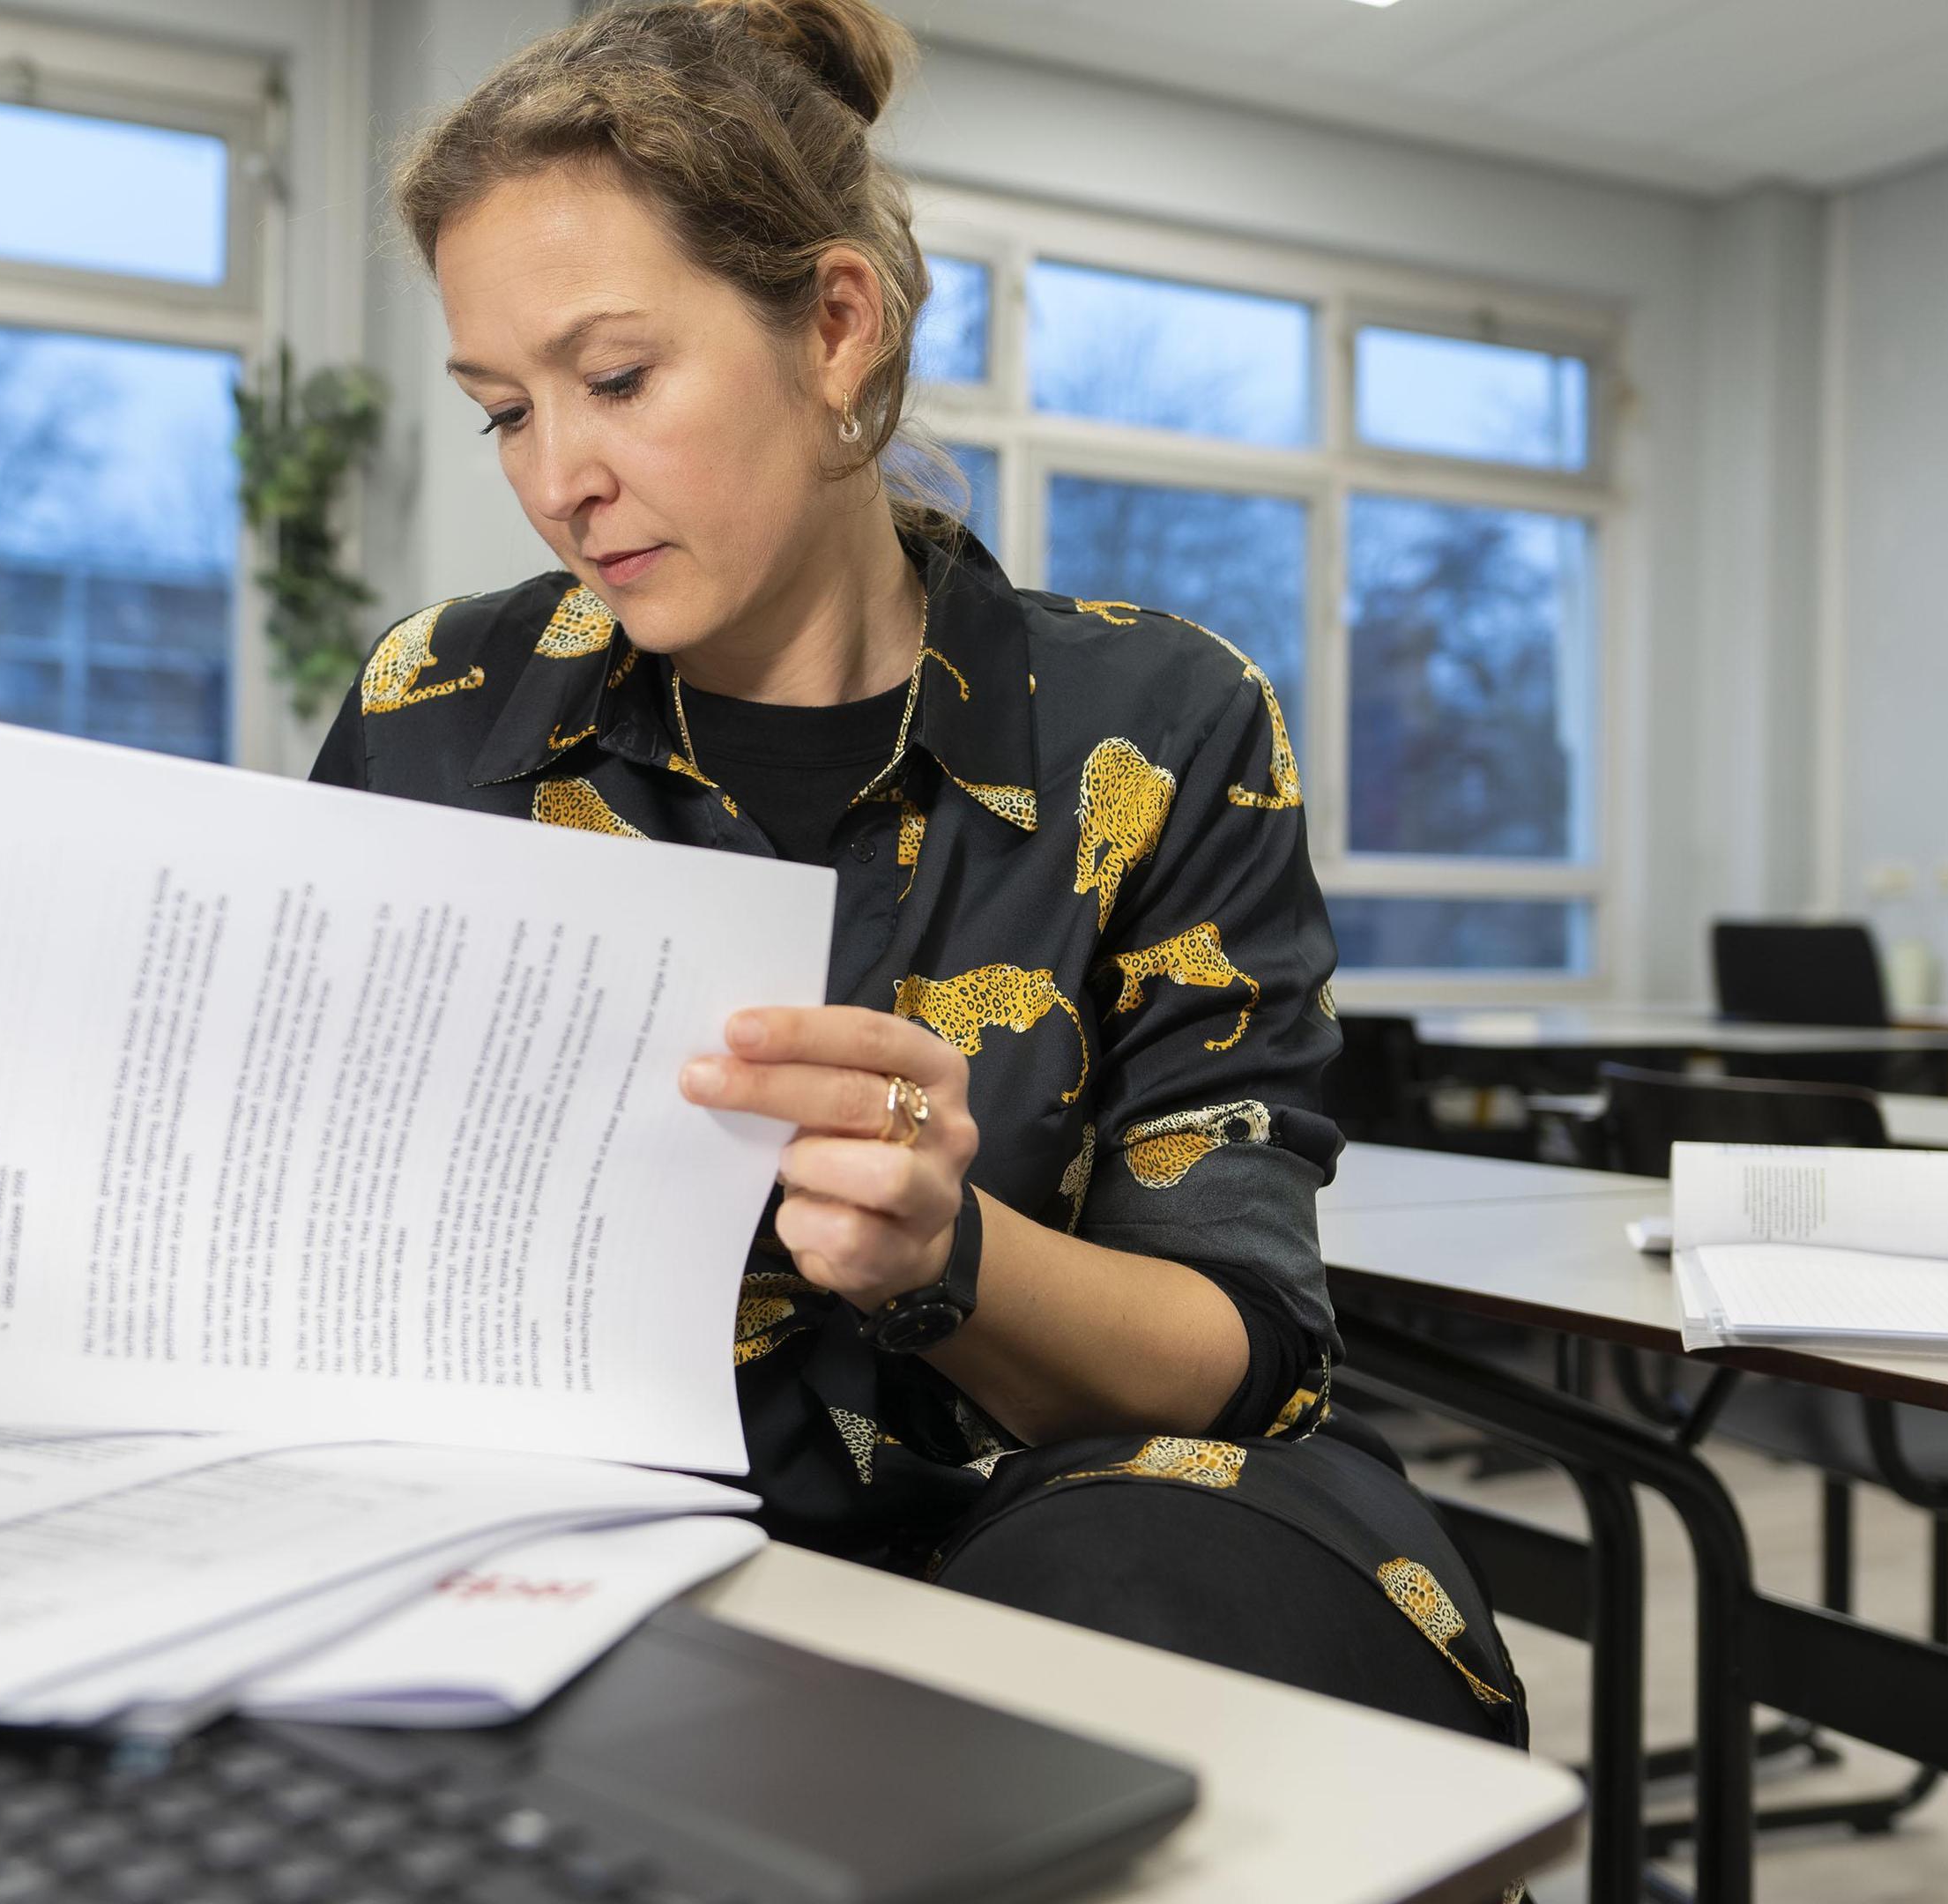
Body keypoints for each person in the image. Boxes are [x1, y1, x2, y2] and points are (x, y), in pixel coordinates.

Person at [313, 0, 1523, 1743]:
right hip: (552, 1570)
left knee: (1186, 1604)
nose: (561, 480)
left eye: (619, 380)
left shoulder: (1160, 720)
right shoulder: (441, 707)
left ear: (834, 326)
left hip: (1049, 1565)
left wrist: (949, 1252)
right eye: (504, 411)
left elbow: (1243, 1352)